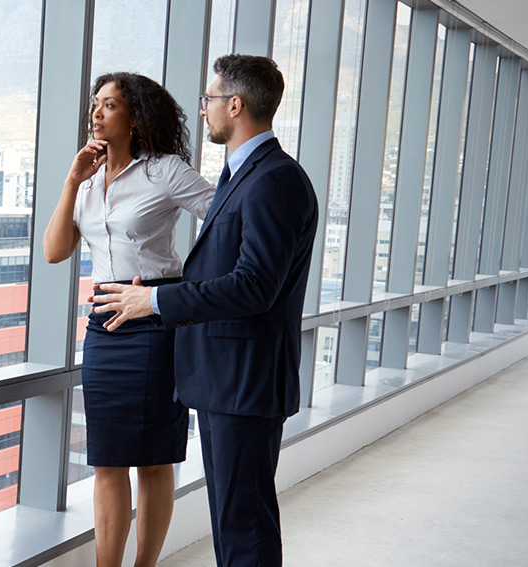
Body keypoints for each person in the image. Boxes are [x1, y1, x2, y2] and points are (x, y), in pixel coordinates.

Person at [90, 54, 319, 567]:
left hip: (245, 379)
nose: (205, 110)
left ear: (234, 105)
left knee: (244, 527)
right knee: (234, 523)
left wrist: (152, 298)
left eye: (210, 99)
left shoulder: (273, 180)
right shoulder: (244, 176)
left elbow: (255, 286)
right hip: (225, 378)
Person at [43, 72, 212, 567]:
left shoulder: (165, 171)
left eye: (110, 104)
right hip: (104, 323)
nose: (97, 112)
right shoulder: (89, 178)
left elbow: (225, 217)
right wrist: (73, 181)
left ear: (135, 117)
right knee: (107, 458)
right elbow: (55, 251)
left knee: (155, 459)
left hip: (155, 318)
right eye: (96, 104)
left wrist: (187, 287)